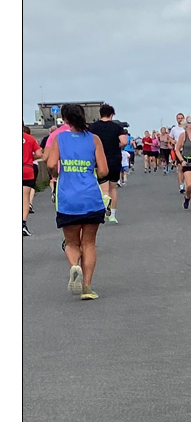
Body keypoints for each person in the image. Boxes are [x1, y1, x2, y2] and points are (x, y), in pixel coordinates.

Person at [43, 102, 108, 300]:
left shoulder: (60, 138)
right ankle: (87, 286)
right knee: (89, 243)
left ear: (65, 120)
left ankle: (74, 266)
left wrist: (56, 174)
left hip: (68, 197)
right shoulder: (94, 139)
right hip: (90, 197)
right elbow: (104, 170)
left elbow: (52, 163)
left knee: (71, 243)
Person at [88, 104, 128, 225]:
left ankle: (105, 206)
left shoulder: (92, 127)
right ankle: (113, 215)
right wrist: (116, 146)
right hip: (114, 158)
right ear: (112, 114)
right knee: (113, 188)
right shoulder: (117, 127)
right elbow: (124, 142)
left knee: (103, 188)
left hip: (98, 159)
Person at [23, 124, 42, 236]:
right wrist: (30, 157)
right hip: (27, 169)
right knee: (25, 198)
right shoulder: (30, 138)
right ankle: (23, 225)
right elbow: (39, 153)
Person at [170, 112, 187, 193]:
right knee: (180, 168)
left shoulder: (187, 128)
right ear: (176, 119)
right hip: (178, 150)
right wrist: (172, 141)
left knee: (187, 168)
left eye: (181, 118)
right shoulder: (174, 129)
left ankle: (188, 183)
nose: (180, 120)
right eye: (178, 118)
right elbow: (170, 137)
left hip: (187, 149)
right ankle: (181, 185)